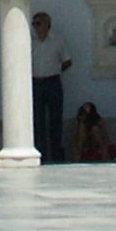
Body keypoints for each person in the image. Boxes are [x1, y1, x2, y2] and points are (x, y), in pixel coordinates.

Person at [30, 12, 73, 164]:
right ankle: (41, 153)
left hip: (52, 82)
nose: (35, 27)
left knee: (55, 119)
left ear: (47, 25)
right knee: (38, 119)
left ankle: (56, 153)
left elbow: (67, 61)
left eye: (38, 23)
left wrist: (55, 71)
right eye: (34, 24)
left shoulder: (58, 41)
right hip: (36, 83)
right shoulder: (31, 42)